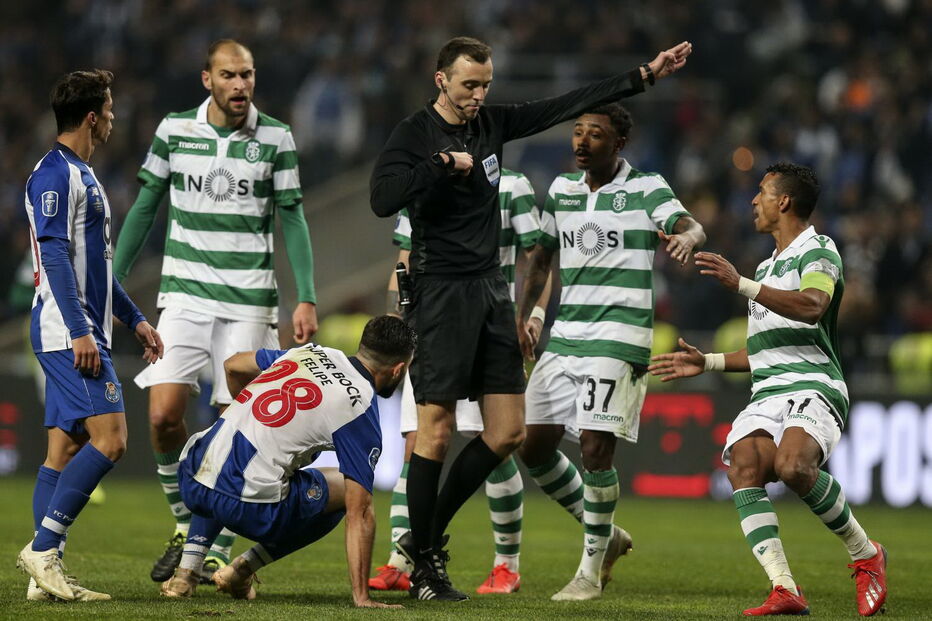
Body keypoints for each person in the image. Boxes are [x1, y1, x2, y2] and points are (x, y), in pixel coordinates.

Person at [369, 34, 692, 602]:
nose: (479, 94)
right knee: (437, 430)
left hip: (492, 293)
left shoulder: (491, 125)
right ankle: (425, 562)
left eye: (486, 84)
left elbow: (565, 103)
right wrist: (441, 165)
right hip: (440, 292)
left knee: (507, 433)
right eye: (469, 84)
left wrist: (642, 76)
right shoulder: (414, 135)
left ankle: (422, 543)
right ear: (441, 79)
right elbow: (382, 196)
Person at [113, 39, 319, 583]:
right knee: (163, 418)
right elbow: (144, 207)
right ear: (207, 78)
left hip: (251, 299)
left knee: (236, 429)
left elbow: (293, 218)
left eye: (247, 75)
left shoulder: (276, 136)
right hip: (184, 293)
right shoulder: (174, 130)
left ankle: (207, 546)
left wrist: (306, 294)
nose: (240, 85)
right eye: (229, 75)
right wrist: (111, 284)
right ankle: (187, 526)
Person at [648, 163, 887, 616]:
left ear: (784, 201)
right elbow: (764, 348)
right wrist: (710, 361)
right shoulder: (767, 265)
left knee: (795, 467)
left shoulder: (818, 250)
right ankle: (784, 588)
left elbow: (813, 306)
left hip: (815, 384)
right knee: (743, 466)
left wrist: (741, 284)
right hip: (768, 392)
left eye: (761, 192)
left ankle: (866, 554)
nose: (753, 200)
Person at [516, 103, 706, 600]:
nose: (581, 142)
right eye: (577, 133)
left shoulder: (646, 187)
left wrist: (687, 239)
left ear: (618, 143)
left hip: (619, 338)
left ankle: (588, 572)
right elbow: (541, 257)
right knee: (529, 445)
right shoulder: (561, 190)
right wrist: (526, 316)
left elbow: (691, 224)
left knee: (596, 451)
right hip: (566, 336)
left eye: (595, 135)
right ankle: (608, 534)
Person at [17, 69, 164, 602]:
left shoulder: (81, 173)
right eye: (111, 108)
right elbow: (54, 256)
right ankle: (44, 550)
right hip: (66, 329)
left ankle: (43, 577)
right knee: (112, 440)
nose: (115, 118)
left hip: (77, 325)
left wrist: (135, 318)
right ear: (92, 117)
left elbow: (96, 268)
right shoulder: (56, 175)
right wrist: (82, 330)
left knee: (64, 448)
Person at [370, 168, 547, 595]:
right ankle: (402, 555)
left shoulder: (513, 185)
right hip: (431, 326)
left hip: (491, 325)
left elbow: (538, 255)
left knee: (499, 442)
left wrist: (533, 316)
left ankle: (506, 564)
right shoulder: (424, 178)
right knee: (417, 440)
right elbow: (404, 258)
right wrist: (398, 321)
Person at [158, 315, 414, 610]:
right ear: (397, 369)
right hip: (248, 508)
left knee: (223, 455)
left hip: (191, 475)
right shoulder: (360, 405)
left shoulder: (312, 352)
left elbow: (234, 364)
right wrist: (362, 597)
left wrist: (242, 410)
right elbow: (361, 511)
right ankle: (241, 570)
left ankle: (184, 575)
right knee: (347, 493)